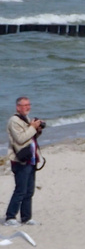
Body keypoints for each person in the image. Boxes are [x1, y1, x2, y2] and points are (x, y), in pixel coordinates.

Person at [5, 96, 43, 227]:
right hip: (20, 160)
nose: (27, 107)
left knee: (29, 190)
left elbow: (30, 137)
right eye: (24, 105)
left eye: (29, 104)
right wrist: (32, 127)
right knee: (20, 189)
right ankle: (10, 217)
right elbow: (20, 139)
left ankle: (26, 217)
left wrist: (37, 129)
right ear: (18, 107)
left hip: (31, 158)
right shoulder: (13, 121)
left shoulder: (26, 119)